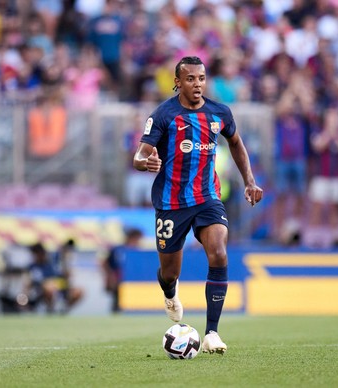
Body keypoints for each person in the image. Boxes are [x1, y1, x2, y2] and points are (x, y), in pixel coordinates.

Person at [133, 56, 263, 355]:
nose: (197, 84)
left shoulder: (220, 112)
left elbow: (236, 142)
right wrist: (146, 162)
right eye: (190, 79)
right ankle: (169, 291)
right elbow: (140, 155)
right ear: (177, 82)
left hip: (207, 197)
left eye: (201, 78)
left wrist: (249, 181)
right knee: (170, 272)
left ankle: (212, 333)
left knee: (218, 252)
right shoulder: (164, 114)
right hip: (171, 202)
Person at [101, 228, 143, 313]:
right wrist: (109, 276)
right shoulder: (118, 249)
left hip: (132, 280)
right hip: (118, 278)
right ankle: (116, 313)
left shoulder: (137, 251)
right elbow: (105, 263)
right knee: (117, 299)